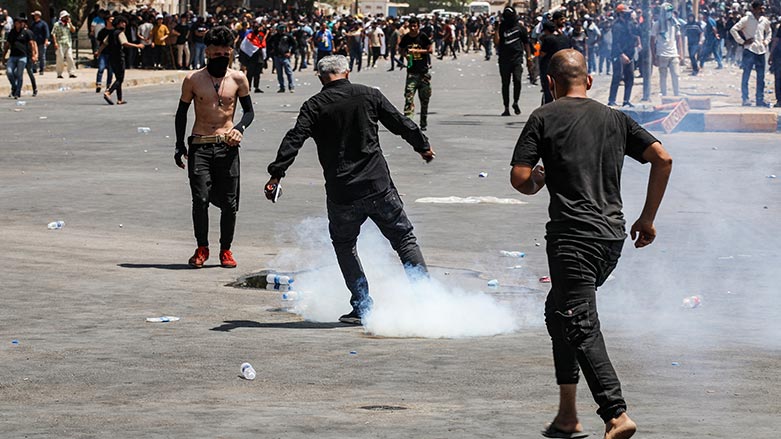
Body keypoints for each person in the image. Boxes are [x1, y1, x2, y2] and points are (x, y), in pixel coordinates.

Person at [510, 49, 672, 439]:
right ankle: (567, 415)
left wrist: (540, 179)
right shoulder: (615, 118)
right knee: (559, 314)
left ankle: (616, 414)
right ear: (590, 81)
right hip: (611, 238)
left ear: (550, 84)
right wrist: (647, 217)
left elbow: (520, 179)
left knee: (580, 322)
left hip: (572, 238)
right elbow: (662, 159)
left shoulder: (543, 117)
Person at [265, 55, 435, 325]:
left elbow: (294, 137)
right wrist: (422, 145)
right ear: (348, 71)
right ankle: (428, 302)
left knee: (345, 246)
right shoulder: (368, 95)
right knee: (404, 241)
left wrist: (276, 173)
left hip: (342, 192)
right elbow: (400, 123)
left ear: (321, 77)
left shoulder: (314, 105)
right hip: (378, 187)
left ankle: (362, 306)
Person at [174, 26, 254, 269]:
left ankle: (226, 250)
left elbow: (249, 112)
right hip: (200, 145)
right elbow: (181, 113)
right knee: (200, 199)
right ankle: (202, 247)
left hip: (227, 147)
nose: (221, 58)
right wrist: (179, 145)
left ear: (230, 52)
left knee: (230, 203)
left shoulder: (238, 78)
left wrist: (239, 128)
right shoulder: (193, 79)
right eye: (216, 54)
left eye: (225, 54)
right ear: (207, 52)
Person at [730, 0, 773, 107]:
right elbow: (733, 30)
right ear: (754, 9)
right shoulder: (746, 19)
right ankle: (745, 99)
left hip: (761, 50)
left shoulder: (764, 20)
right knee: (746, 75)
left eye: (763, 8)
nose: (762, 10)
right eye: (760, 8)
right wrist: (742, 42)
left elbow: (769, 32)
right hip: (749, 50)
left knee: (761, 77)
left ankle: (760, 99)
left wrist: (766, 41)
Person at [399, 17, 434, 131]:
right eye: (411, 26)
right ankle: (408, 122)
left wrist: (417, 51)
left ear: (418, 26)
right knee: (409, 97)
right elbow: (400, 49)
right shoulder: (406, 38)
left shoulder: (422, 36)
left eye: (415, 26)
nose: (413, 28)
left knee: (424, 99)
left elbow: (430, 50)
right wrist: (406, 55)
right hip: (412, 73)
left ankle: (423, 123)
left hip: (423, 73)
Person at [99, 16, 144, 105]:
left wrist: (98, 52)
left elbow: (104, 44)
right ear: (118, 23)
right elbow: (124, 43)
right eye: (122, 22)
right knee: (120, 78)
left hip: (111, 57)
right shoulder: (120, 33)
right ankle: (108, 92)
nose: (124, 24)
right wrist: (137, 46)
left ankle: (119, 99)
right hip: (119, 57)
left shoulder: (111, 33)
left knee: (118, 78)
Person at [495, 7, 531, 116]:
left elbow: (526, 44)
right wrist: (497, 28)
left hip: (517, 59)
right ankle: (506, 107)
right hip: (504, 60)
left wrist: (529, 58)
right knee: (505, 84)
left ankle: (516, 102)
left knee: (517, 80)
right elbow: (497, 42)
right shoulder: (502, 28)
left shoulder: (520, 28)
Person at [651, 3, 684, 96]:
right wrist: (653, 56)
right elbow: (652, 40)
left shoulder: (675, 23)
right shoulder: (657, 24)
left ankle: (677, 94)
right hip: (662, 54)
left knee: (676, 75)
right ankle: (664, 95)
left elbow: (678, 39)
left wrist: (680, 53)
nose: (669, 13)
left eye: (670, 11)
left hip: (673, 54)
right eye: (667, 11)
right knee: (663, 77)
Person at [608, 4, 637, 107]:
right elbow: (616, 42)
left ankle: (626, 100)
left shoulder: (630, 24)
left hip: (630, 54)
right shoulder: (616, 25)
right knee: (617, 76)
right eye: (626, 13)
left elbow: (635, 35)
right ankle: (611, 100)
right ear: (620, 14)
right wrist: (621, 54)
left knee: (630, 77)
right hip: (619, 55)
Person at [3, 14, 37, 99]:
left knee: (23, 74)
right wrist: (3, 56)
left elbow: (32, 44)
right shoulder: (12, 32)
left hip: (24, 56)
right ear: (15, 23)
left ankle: (20, 91)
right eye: (19, 22)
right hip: (13, 56)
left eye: (22, 22)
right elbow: (7, 44)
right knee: (9, 72)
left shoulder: (26, 32)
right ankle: (14, 87)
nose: (21, 24)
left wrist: (34, 55)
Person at [539, 21, 571, 104]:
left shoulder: (548, 39)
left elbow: (542, 54)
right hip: (563, 66)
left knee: (548, 89)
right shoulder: (565, 37)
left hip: (549, 67)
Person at [267, 23, 297, 93]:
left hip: (285, 57)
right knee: (279, 74)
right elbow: (268, 43)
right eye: (280, 29)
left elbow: (295, 44)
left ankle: (291, 86)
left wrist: (291, 52)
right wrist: (271, 51)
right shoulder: (274, 37)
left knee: (289, 72)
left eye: (283, 28)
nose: (282, 30)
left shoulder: (288, 36)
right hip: (277, 56)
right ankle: (282, 87)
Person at [51, 10, 77, 79]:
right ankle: (59, 73)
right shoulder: (57, 24)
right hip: (60, 43)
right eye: (65, 16)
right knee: (60, 59)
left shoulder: (68, 24)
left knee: (70, 58)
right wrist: (55, 43)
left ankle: (71, 73)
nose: (67, 18)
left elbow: (73, 30)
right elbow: (53, 33)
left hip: (68, 43)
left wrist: (70, 23)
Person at [95, 16, 114, 93]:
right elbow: (99, 42)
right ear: (107, 21)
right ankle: (98, 84)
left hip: (112, 53)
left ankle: (108, 85)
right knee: (101, 68)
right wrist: (98, 51)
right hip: (103, 53)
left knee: (110, 71)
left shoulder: (115, 31)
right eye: (111, 20)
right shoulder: (102, 31)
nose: (112, 21)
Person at [29, 11, 49, 76]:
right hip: (34, 42)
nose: (34, 16)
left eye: (35, 15)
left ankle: (41, 68)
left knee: (41, 56)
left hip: (41, 42)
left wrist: (46, 40)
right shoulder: (33, 24)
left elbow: (46, 33)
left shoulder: (43, 24)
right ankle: (34, 68)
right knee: (34, 54)